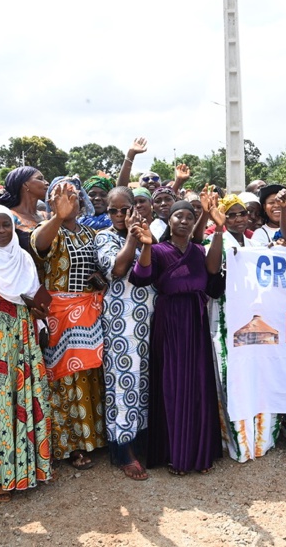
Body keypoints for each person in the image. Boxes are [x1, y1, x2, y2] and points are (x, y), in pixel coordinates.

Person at [129, 194, 225, 475]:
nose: (184, 221)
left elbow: (213, 270)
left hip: (195, 320)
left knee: (198, 384)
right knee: (172, 384)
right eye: (178, 216)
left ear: (195, 222)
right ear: (168, 221)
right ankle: (174, 453)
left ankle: (200, 453)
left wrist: (219, 229)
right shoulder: (159, 250)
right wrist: (146, 246)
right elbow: (141, 277)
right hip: (169, 320)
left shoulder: (198, 250)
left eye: (189, 217)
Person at [0, 205, 52, 502]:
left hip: (25, 332)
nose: (2, 231)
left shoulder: (24, 258)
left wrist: (39, 311)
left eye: (6, 224)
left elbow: (34, 295)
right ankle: (2, 475)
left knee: (27, 396)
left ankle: (32, 469)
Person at [31, 180, 106, 471]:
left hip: (89, 313)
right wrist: (58, 218)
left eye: (72, 195)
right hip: (60, 316)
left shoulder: (91, 232)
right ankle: (71, 444)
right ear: (51, 202)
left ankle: (94, 438)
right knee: (65, 378)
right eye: (60, 195)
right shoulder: (48, 230)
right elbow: (40, 247)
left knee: (90, 374)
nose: (67, 199)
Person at [207, 193, 278, 463]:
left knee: (260, 375)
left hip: (258, 321)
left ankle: (262, 439)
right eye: (231, 215)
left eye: (242, 214)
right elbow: (212, 272)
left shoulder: (256, 246)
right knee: (232, 378)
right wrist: (219, 233)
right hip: (227, 322)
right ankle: (237, 442)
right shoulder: (215, 242)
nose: (238, 219)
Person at [95, 187, 156, 480]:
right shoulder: (104, 237)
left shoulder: (149, 233)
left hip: (149, 317)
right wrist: (132, 237)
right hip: (121, 321)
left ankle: (142, 439)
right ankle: (122, 448)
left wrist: (142, 236)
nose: (119, 215)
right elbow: (118, 269)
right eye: (113, 210)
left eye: (125, 209)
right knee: (122, 382)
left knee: (144, 380)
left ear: (135, 207)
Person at [0, 167, 49, 254]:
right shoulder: (9, 217)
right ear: (25, 184)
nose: (46, 183)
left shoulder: (46, 216)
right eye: (40, 179)